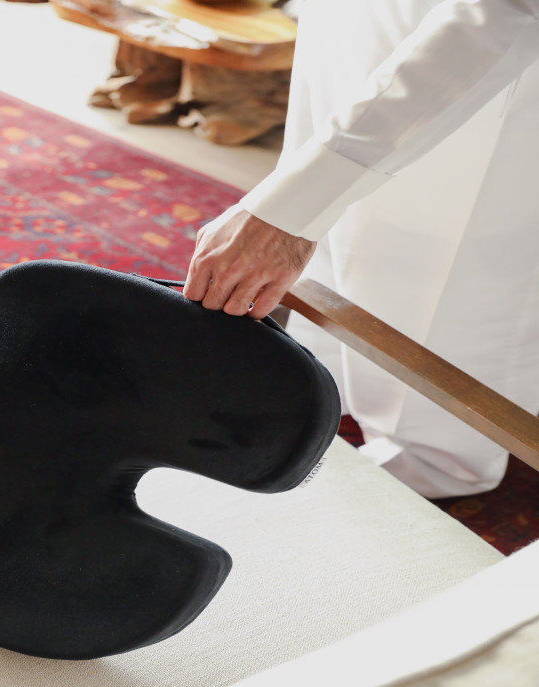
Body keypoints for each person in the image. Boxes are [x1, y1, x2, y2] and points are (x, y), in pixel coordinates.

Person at [184, 0, 539, 498]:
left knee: (437, 270)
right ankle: (327, 387)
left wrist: (290, 207)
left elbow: (502, 15)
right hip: (361, 32)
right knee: (343, 235)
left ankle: (423, 463)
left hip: (478, 76)